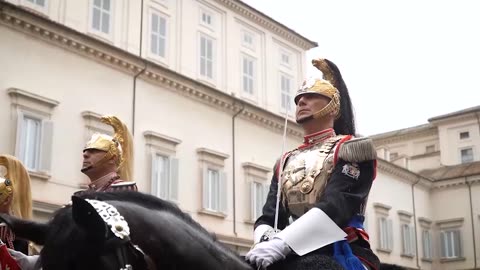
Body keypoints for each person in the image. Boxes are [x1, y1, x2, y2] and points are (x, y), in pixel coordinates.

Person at [245, 58, 380, 270]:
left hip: (343, 249)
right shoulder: (286, 161)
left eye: (311, 97)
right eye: (299, 98)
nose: (301, 102)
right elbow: (270, 216)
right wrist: (264, 243)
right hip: (291, 248)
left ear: (333, 107)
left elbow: (336, 207)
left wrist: (282, 244)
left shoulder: (353, 149)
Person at [77, 115, 137, 193]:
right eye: (85, 151)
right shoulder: (85, 194)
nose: (85, 155)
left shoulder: (122, 189)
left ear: (112, 158)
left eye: (94, 150)